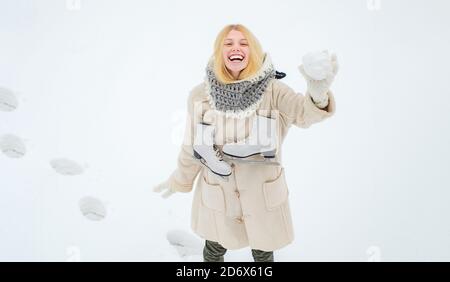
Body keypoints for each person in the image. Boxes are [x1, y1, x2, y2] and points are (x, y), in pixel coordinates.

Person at [154, 24, 338, 262]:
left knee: (263, 252)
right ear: (219, 51)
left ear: (253, 50)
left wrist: (318, 94)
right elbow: (192, 147)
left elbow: (303, 114)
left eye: (243, 43)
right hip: (217, 195)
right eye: (228, 43)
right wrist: (180, 178)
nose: (235, 48)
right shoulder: (201, 95)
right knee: (213, 249)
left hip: (262, 196)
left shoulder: (274, 91)